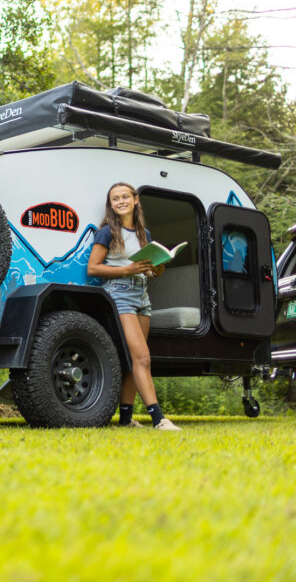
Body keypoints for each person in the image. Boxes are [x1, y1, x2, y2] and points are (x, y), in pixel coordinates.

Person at [87, 183, 180, 431]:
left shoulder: (144, 234)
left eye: (124, 197)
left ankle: (126, 419)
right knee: (142, 357)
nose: (120, 201)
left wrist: (157, 268)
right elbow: (93, 268)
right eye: (115, 199)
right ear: (111, 205)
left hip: (142, 296)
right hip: (119, 294)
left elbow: (149, 271)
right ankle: (159, 418)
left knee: (132, 360)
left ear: (135, 200)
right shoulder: (106, 232)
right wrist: (126, 269)